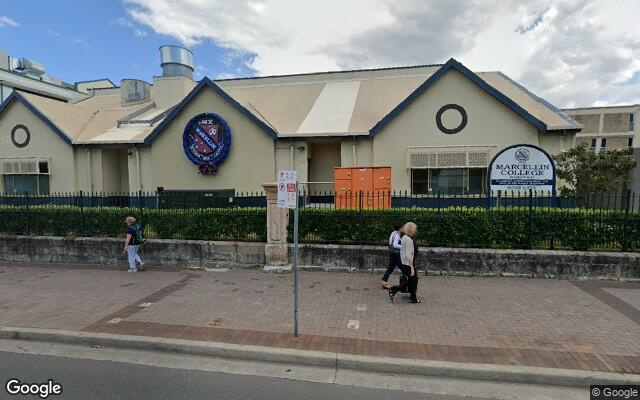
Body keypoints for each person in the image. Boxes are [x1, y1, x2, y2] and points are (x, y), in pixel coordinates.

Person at [388, 222, 420, 303]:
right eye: (414, 229)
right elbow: (408, 254)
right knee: (411, 281)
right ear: (411, 230)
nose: (415, 231)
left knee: (413, 280)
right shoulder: (408, 240)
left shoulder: (404, 237)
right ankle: (393, 289)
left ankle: (413, 297)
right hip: (408, 263)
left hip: (405, 263)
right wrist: (412, 267)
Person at [381, 222, 403, 289]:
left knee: (390, 268)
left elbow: (390, 242)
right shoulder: (398, 235)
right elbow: (395, 245)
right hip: (396, 254)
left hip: (391, 253)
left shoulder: (393, 233)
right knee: (404, 268)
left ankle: (384, 282)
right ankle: (405, 283)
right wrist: (403, 246)